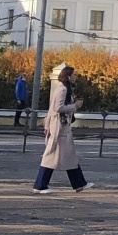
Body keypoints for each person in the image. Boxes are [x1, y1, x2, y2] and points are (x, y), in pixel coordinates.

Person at [33, 63, 89, 192]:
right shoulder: (63, 89)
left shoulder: (65, 88)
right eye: (74, 74)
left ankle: (79, 184)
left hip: (62, 128)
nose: (76, 76)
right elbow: (58, 108)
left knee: (68, 156)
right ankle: (40, 185)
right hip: (59, 128)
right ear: (68, 76)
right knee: (52, 157)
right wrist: (75, 106)